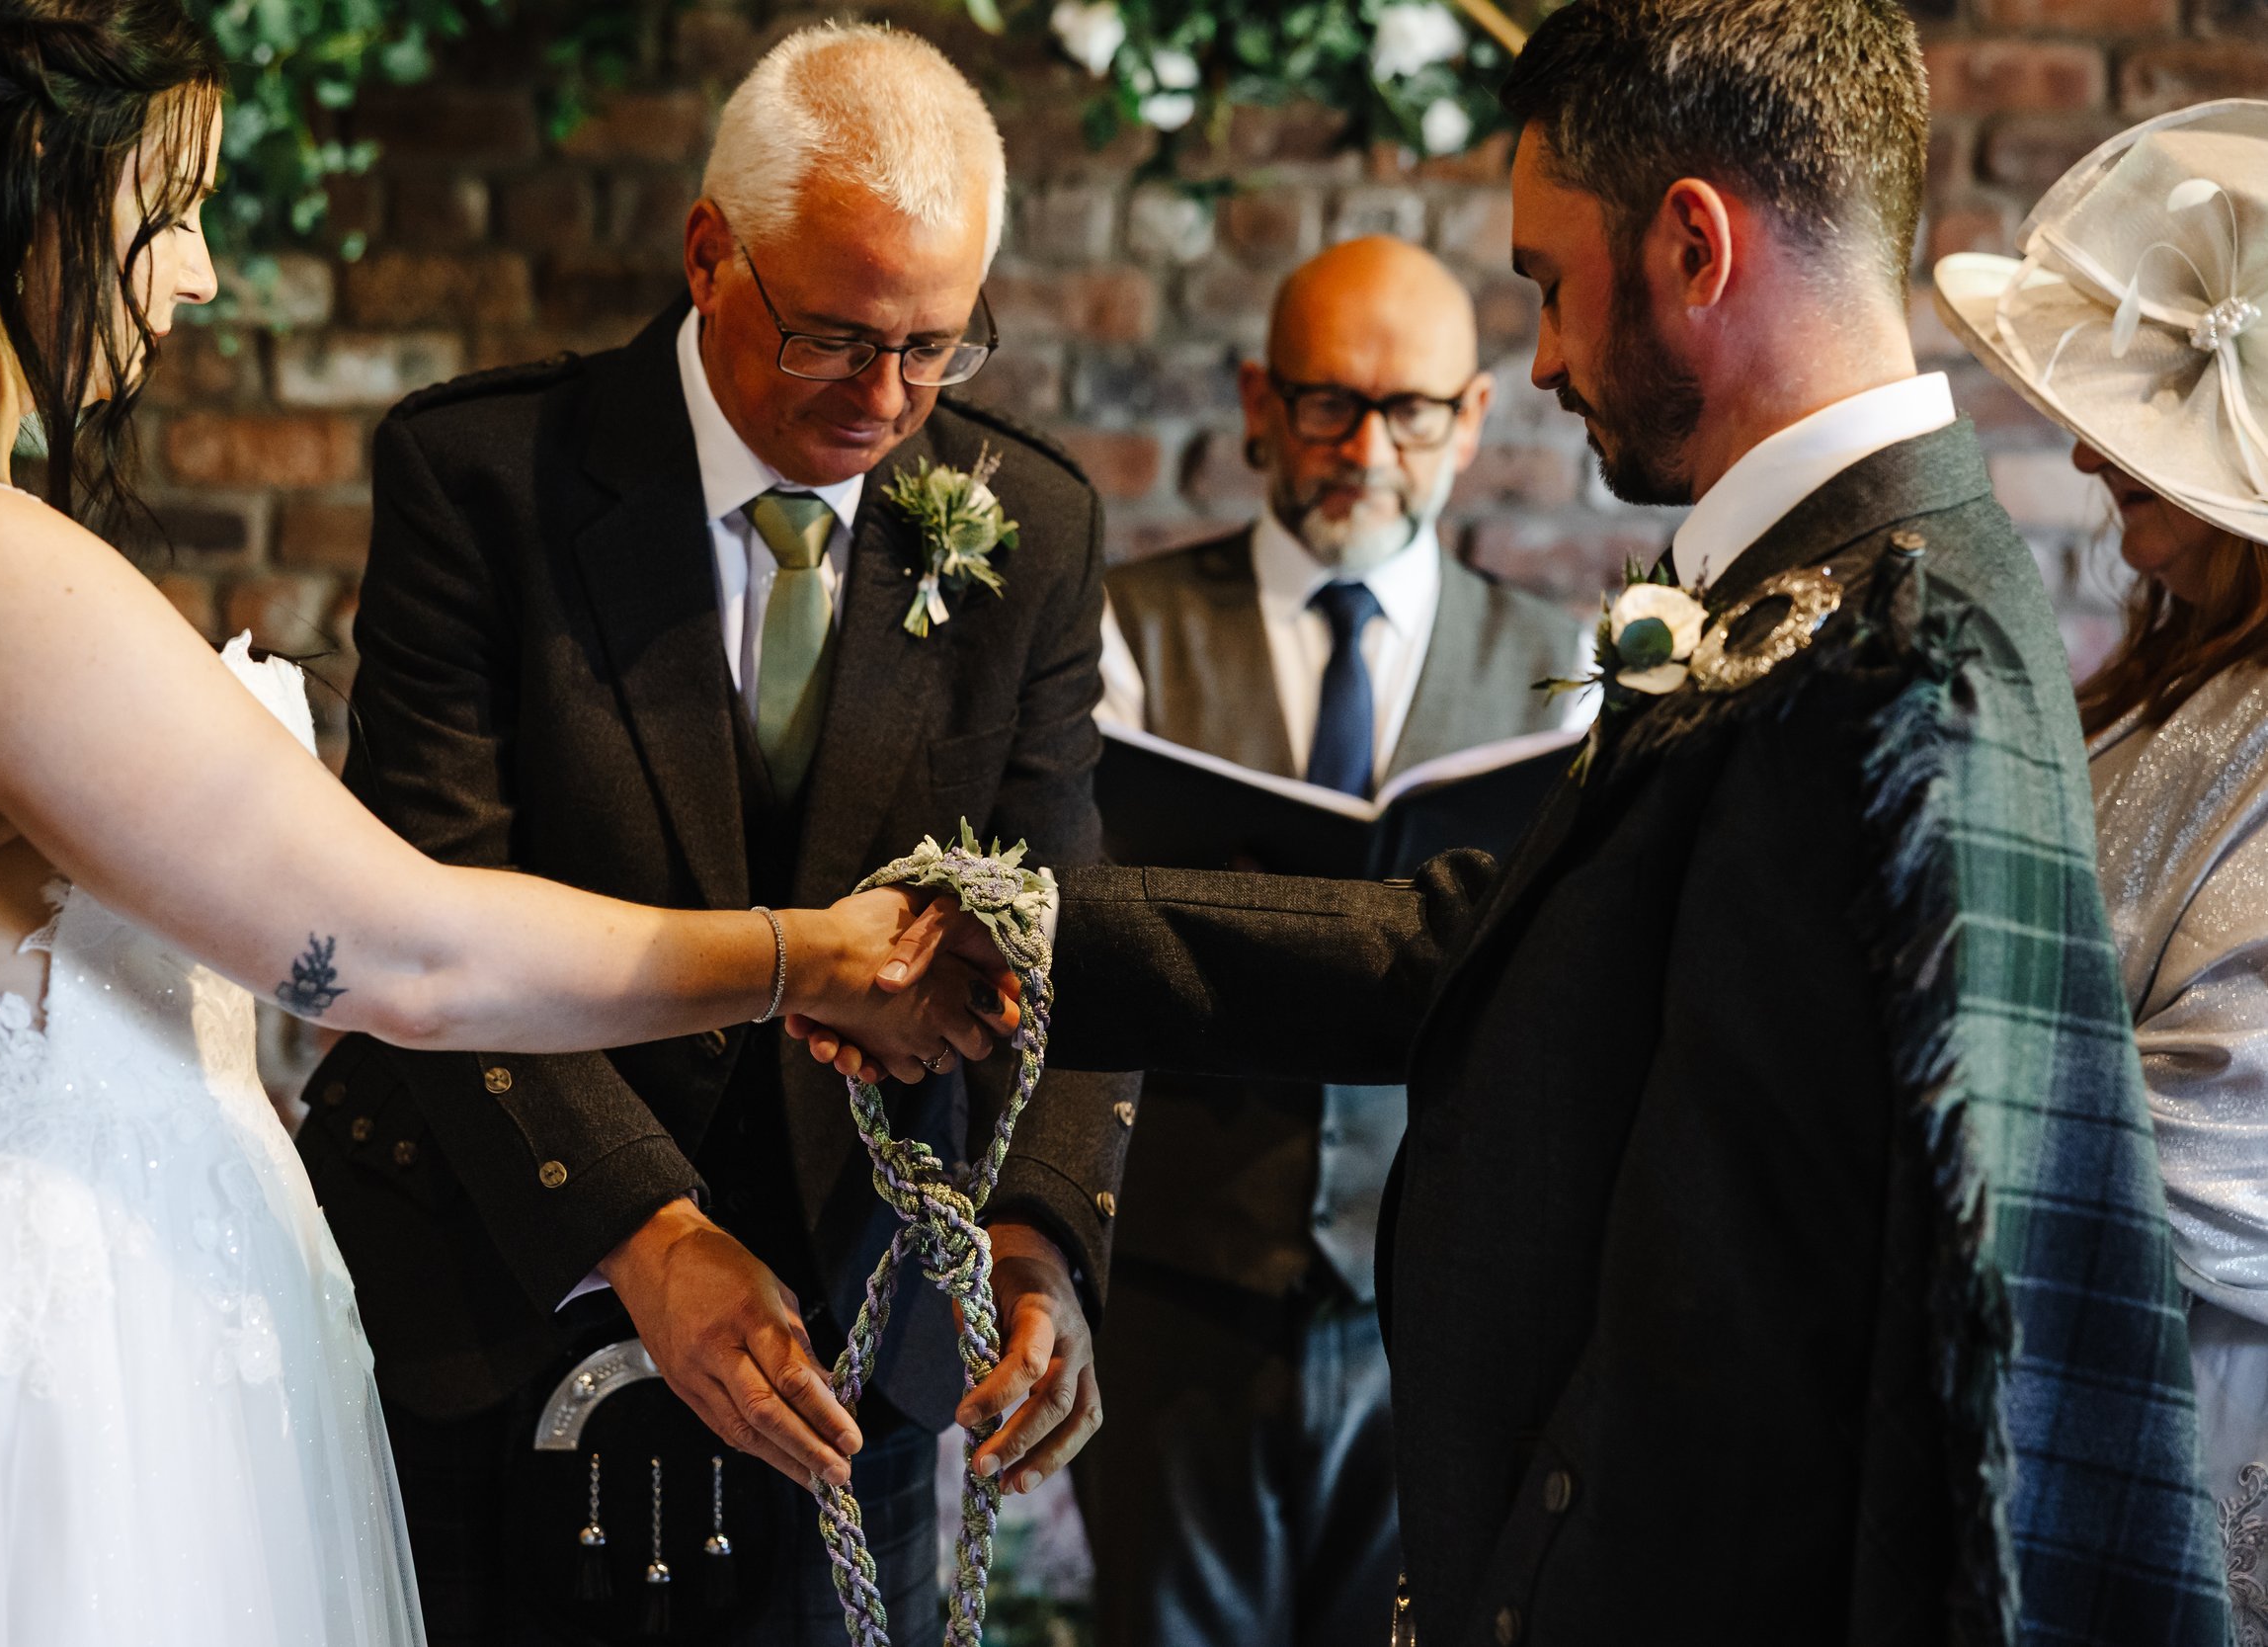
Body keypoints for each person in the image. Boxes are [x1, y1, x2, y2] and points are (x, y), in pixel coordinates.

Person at [816, 2, 2228, 1640]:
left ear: (1693, 244)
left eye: (1550, 286)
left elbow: (1821, 1313)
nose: (1545, 358)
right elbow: (1491, 938)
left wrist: (1537, 1572)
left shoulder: (1895, 649)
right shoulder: (1817, 590)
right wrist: (1027, 930)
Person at [0, 5, 1020, 1643]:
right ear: (24, 192)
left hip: (117, 1313)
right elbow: (402, 953)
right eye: (167, 214)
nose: (197, 273)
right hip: (45, 1363)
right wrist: (800, 958)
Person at [294, 22, 1138, 1646]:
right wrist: (645, 1237)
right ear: (707, 255)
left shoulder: (1029, 524)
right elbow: (432, 906)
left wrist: (1041, 1238)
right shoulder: (481, 481)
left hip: (855, 1351)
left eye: (934, 348)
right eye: (835, 337)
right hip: (501, 1302)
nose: (887, 400)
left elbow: (1064, 921)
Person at [1076, 233, 1584, 1647]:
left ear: (1472, 418)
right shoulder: (1124, 638)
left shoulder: (1564, 676)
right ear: (1256, 402)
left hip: (1429, 1309)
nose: (1367, 448)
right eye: (1326, 404)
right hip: (1175, 1289)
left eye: (1409, 409)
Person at [1936, 99, 2268, 1629]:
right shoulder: (2182, 684)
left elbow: (2224, 1155)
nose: (2079, 450)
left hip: (2195, 1410)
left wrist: (1902, 1056)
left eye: (2138, 428)